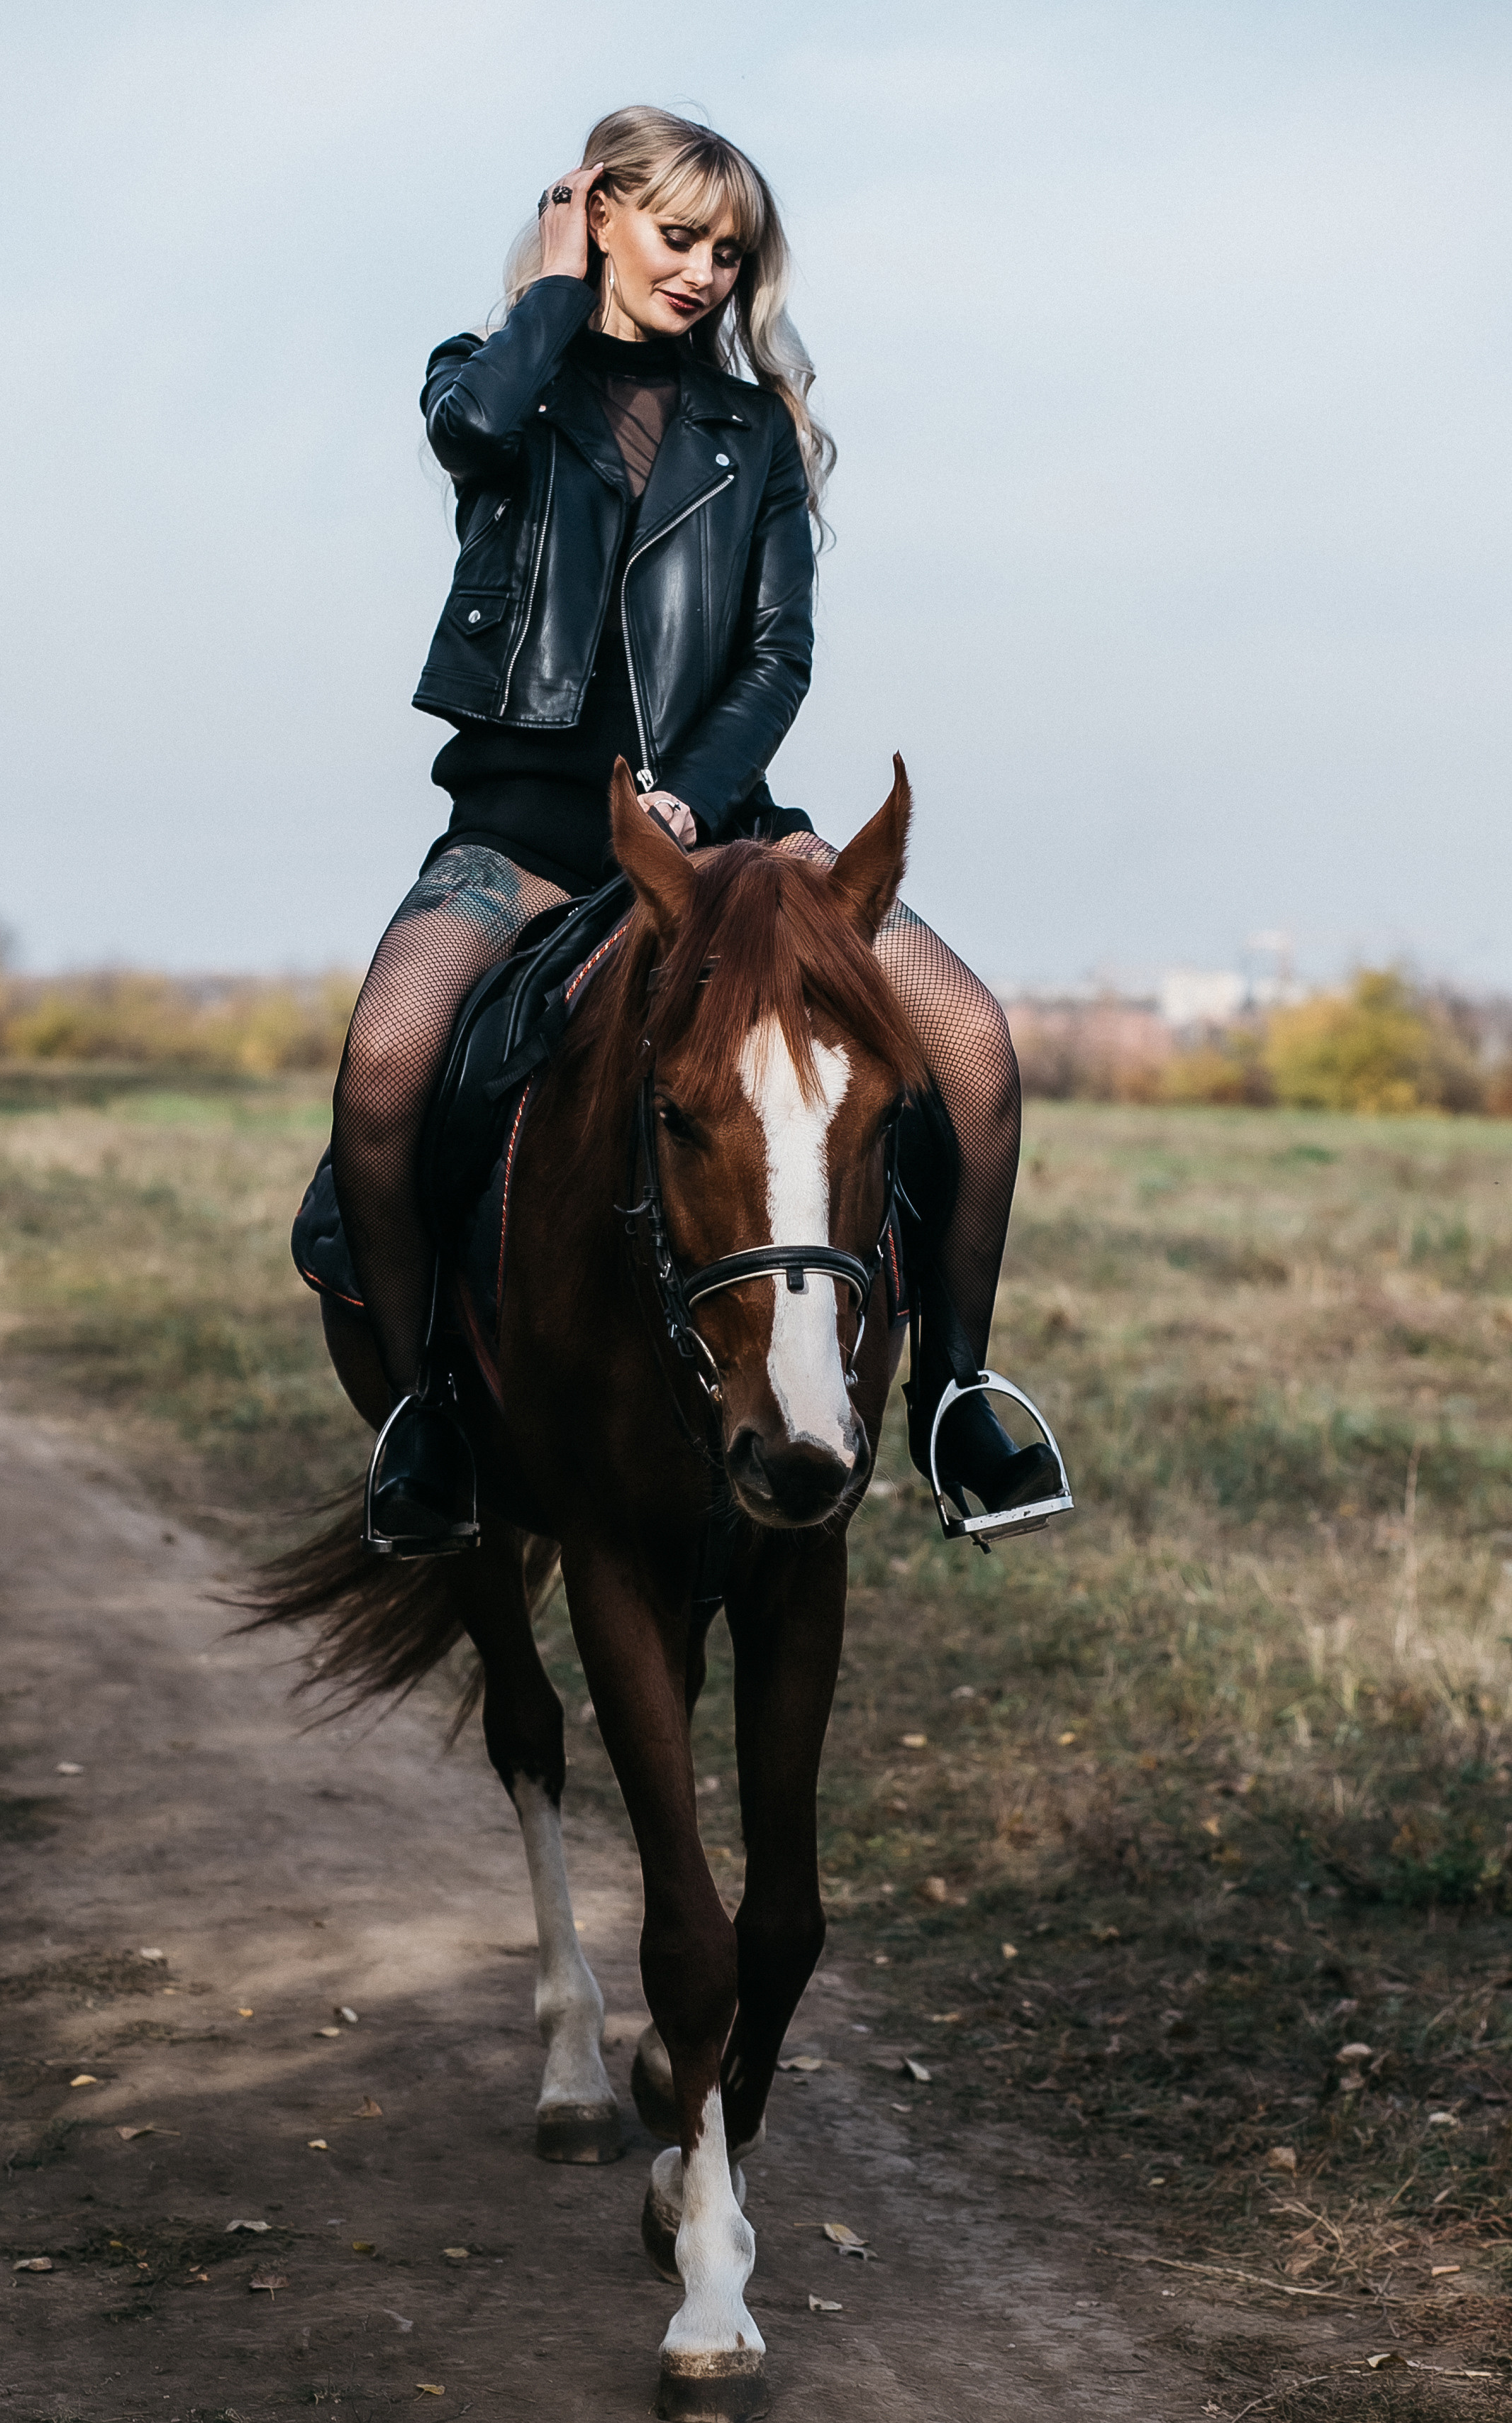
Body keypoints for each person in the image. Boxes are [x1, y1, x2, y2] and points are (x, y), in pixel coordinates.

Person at [322, 105, 1060, 1553]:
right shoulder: (493, 380)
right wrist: (547, 287)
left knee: (972, 1047)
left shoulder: (754, 431)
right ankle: (426, 1422)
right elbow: (472, 434)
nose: (708, 272)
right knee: (390, 1061)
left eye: (734, 251)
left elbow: (778, 656)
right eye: (678, 235)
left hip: (727, 839)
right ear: (593, 213)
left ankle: (958, 1392)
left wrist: (695, 794)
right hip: (522, 837)